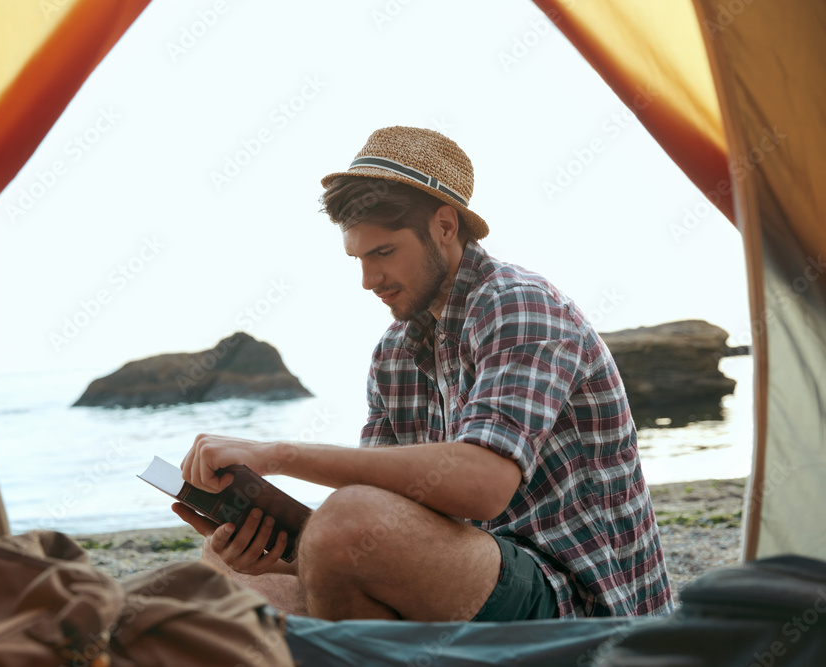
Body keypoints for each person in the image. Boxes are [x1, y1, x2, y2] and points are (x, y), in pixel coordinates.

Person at [174, 125, 673, 621]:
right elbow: (377, 519)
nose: (369, 281)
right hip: (468, 573)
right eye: (358, 258)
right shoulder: (394, 353)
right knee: (227, 566)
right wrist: (274, 549)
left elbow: (483, 486)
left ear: (445, 227)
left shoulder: (519, 304)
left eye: (383, 253)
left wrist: (277, 455)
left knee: (346, 521)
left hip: (580, 601)